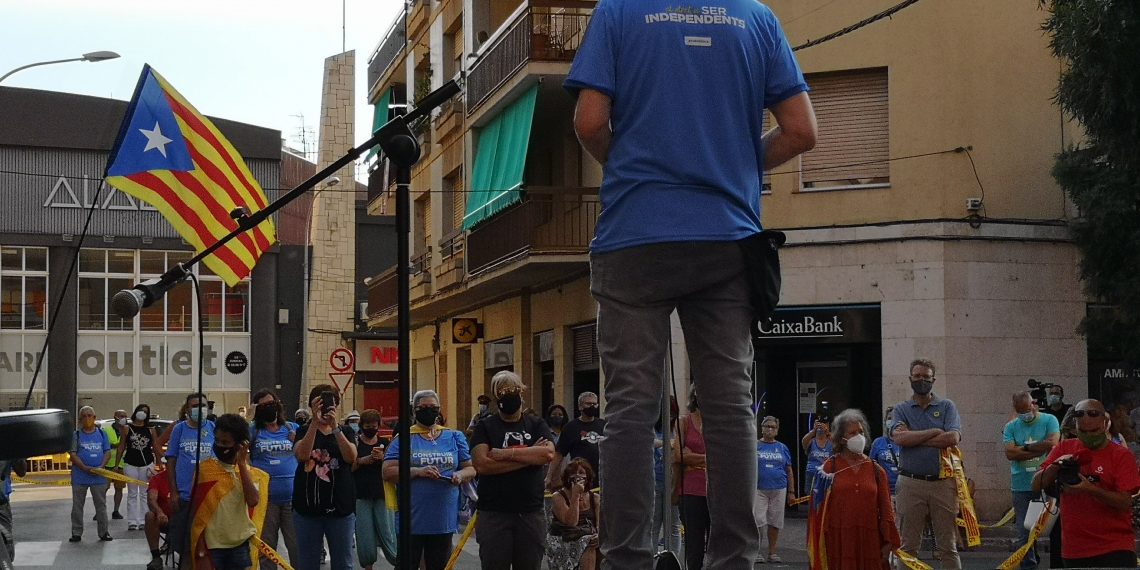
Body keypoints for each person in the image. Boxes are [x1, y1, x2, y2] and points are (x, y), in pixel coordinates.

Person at [564, 0, 817, 565]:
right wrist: (738, 164)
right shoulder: (757, 19)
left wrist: (628, 165)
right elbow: (802, 131)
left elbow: (589, 122)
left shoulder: (619, 12)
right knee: (730, 410)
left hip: (634, 237)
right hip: (727, 239)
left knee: (629, 410)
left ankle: (627, 556)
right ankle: (734, 558)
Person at [1033, 399, 1140, 568]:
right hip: (1074, 550)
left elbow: (1125, 502)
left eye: (1094, 431)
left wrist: (1091, 489)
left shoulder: (1121, 455)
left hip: (1115, 548)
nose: (1089, 436)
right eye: (1083, 431)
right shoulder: (1064, 448)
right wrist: (1056, 465)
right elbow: (1035, 484)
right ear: (1075, 427)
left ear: (1105, 424)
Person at [469, 371, 555, 570]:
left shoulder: (536, 424)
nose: (508, 395)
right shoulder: (485, 426)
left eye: (513, 389)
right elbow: (482, 464)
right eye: (502, 391)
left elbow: (547, 454)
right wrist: (529, 457)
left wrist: (506, 454)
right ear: (495, 396)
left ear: (521, 392)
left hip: (530, 512)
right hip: (494, 513)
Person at [383, 390, 475, 570]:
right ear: (414, 411)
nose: (428, 411)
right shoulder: (404, 438)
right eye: (423, 407)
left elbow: (470, 468)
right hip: (412, 519)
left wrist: (460, 475)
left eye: (433, 407)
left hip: (442, 518)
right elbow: (387, 472)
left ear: (439, 410)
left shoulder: (454, 436)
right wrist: (417, 471)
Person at [890, 359, 962, 570]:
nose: (921, 380)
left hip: (943, 484)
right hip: (910, 484)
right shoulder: (901, 409)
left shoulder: (947, 406)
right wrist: (935, 432)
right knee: (909, 546)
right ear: (910, 378)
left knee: (948, 547)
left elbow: (952, 438)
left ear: (933, 380)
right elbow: (899, 438)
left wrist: (914, 437)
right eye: (917, 376)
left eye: (926, 377)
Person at [808, 409, 900, 570]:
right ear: (841, 438)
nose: (859, 436)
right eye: (852, 433)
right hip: (838, 541)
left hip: (870, 541)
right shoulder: (828, 469)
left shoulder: (876, 470)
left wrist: (888, 542)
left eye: (861, 432)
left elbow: (886, 511)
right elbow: (818, 512)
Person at [293, 384, 357, 570]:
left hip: (340, 508)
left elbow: (351, 457)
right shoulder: (303, 430)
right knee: (307, 563)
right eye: (319, 403)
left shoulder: (346, 431)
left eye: (330, 403)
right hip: (307, 508)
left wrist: (335, 426)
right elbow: (302, 455)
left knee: (343, 563)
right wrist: (314, 422)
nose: (325, 407)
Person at [190, 413, 260, 570]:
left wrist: (241, 464)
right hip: (212, 546)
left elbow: (253, 500)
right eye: (217, 441)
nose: (220, 446)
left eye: (226, 442)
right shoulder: (204, 470)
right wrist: (200, 547)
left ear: (240, 445)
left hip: (240, 544)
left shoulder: (248, 472)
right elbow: (197, 512)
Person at [1002, 391, 1059, 570]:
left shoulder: (1049, 420)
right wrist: (1037, 449)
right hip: (1021, 485)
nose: (1025, 414)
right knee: (1024, 531)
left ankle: (1058, 563)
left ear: (1033, 404)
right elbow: (1010, 454)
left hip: (1047, 482)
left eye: (1027, 410)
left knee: (1054, 528)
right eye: (1020, 412)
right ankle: (1029, 565)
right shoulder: (1011, 426)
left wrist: (1023, 448)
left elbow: (1052, 444)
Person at [249, 389, 298, 570]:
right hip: (266, 499)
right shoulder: (254, 431)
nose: (269, 408)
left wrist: (297, 440)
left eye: (271, 403)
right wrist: (249, 418)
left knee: (297, 546)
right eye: (264, 406)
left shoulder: (291, 428)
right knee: (267, 549)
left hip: (292, 498)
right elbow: (239, 444)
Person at [166, 392, 216, 568]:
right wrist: (173, 492)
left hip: (208, 498)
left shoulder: (214, 428)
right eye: (194, 406)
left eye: (202, 405)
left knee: (207, 547)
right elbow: (171, 460)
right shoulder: (179, 429)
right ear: (187, 410)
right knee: (186, 547)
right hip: (185, 497)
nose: (199, 409)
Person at [354, 408, 397, 569]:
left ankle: (398, 561)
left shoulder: (385, 443)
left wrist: (383, 458)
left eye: (374, 426)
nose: (371, 429)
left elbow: (394, 465)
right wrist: (362, 461)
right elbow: (349, 466)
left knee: (388, 532)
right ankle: (368, 565)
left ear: (378, 425)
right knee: (365, 534)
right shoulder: (355, 443)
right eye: (367, 426)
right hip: (361, 494)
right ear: (362, 425)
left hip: (383, 493)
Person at [674, 392, 709, 570]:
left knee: (718, 541)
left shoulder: (719, 423)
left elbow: (725, 457)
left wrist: (693, 457)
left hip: (716, 490)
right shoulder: (684, 422)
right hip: (690, 489)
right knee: (694, 543)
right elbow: (678, 456)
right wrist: (708, 458)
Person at [70, 405, 113, 542]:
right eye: (84, 416)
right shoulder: (76, 435)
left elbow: (107, 452)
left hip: (98, 477)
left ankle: (104, 532)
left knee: (101, 506)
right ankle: (76, 532)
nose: (87, 418)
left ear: (94, 418)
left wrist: (101, 467)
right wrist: (84, 467)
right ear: (80, 419)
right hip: (80, 477)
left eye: (90, 416)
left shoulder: (102, 434)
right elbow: (73, 454)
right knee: (77, 506)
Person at [547, 459, 601, 570]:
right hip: (565, 537)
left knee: (599, 543)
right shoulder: (558, 497)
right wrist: (575, 495)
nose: (577, 476)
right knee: (588, 542)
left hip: (587, 535)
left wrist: (599, 535)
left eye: (581, 472)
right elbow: (571, 522)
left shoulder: (595, 498)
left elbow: (600, 524)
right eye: (573, 473)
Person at [755, 416, 795, 564]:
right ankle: (756, 552)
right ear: (762, 428)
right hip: (758, 488)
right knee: (758, 521)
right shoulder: (755, 446)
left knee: (775, 522)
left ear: (777, 430)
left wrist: (791, 491)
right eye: (767, 426)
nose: (770, 429)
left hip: (779, 488)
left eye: (773, 427)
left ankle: (772, 552)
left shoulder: (782, 447)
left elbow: (789, 470)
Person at [546, 392, 605, 489]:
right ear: (580, 406)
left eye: (594, 404)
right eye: (588, 404)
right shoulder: (570, 427)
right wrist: (549, 476)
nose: (592, 406)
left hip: (602, 476)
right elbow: (559, 453)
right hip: (580, 477)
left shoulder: (603, 425)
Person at [117, 403, 159, 531]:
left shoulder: (151, 430)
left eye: (146, 412)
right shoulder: (127, 428)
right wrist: (117, 464)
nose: (142, 413)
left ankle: (144, 520)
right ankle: (132, 521)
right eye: (141, 410)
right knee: (132, 493)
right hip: (131, 463)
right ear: (136, 412)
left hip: (147, 464)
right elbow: (121, 446)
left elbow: (155, 447)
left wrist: (159, 463)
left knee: (145, 494)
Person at [145, 464, 173, 570]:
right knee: (150, 516)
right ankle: (156, 557)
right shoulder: (157, 478)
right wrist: (160, 512)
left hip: (182, 518)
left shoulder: (186, 477)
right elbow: (151, 499)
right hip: (164, 519)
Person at [103, 408, 129, 521]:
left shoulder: (128, 430)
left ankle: (116, 511)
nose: (124, 418)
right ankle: (100, 510)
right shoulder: (106, 430)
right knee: (104, 488)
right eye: (121, 416)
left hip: (122, 464)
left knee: (119, 489)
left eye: (125, 416)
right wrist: (118, 444)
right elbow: (105, 445)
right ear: (115, 417)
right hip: (108, 464)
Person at [0, 458, 27, 564]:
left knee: (6, 549)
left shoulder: (7, 449)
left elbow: (21, 471)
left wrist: (18, 455)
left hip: (1, 503)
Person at [869, 407, 901, 496]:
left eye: (895, 418)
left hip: (904, 490)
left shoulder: (907, 442)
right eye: (889, 418)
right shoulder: (878, 442)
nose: (891, 421)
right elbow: (871, 467)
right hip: (884, 490)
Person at [801, 415, 832, 497]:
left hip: (826, 475)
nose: (821, 425)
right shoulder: (811, 441)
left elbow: (839, 444)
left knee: (826, 498)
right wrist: (813, 430)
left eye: (823, 423)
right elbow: (803, 442)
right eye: (819, 423)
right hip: (811, 474)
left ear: (828, 425)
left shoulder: (831, 441)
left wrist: (827, 432)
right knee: (810, 498)